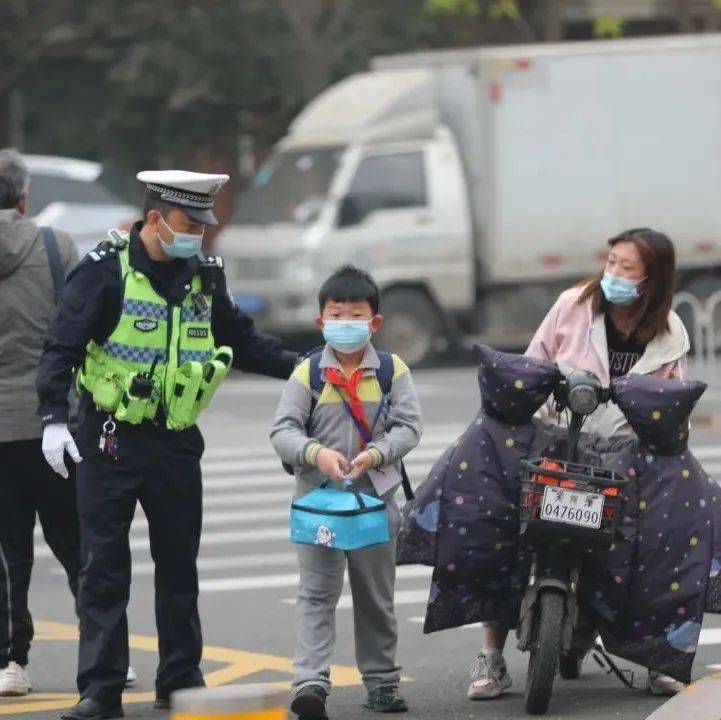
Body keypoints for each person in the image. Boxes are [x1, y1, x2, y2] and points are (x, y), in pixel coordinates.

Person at [37, 170, 299, 720]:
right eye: (187, 225)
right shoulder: (103, 272)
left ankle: (179, 677)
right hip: (109, 440)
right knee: (103, 570)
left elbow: (239, 339)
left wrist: (302, 369)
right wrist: (53, 419)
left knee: (179, 567)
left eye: (203, 227)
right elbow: (60, 345)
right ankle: (101, 691)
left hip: (176, 443)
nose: (196, 237)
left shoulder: (203, 276)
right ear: (154, 220)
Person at [466, 228, 689, 701]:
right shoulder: (573, 305)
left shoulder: (671, 333)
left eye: (627, 268)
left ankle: (657, 658)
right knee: (506, 533)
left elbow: (672, 404)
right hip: (555, 441)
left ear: (652, 279)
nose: (614, 274)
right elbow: (531, 365)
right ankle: (491, 656)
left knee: (662, 539)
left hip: (623, 458)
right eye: (611, 262)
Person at [270, 266, 422, 719]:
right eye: (336, 315)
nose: (345, 323)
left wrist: (376, 454)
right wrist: (316, 454)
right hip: (320, 504)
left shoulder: (393, 370)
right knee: (316, 593)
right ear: (321, 321)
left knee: (375, 596)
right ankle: (310, 684)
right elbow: (282, 430)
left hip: (374, 503)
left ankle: (381, 683)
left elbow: (410, 427)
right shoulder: (308, 373)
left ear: (375, 322)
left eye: (356, 315)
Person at [0, 149, 79, 696]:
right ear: (25, 198)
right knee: (79, 544)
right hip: (56, 424)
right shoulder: (57, 247)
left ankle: (11, 663)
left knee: (8, 552)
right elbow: (85, 328)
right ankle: (106, 653)